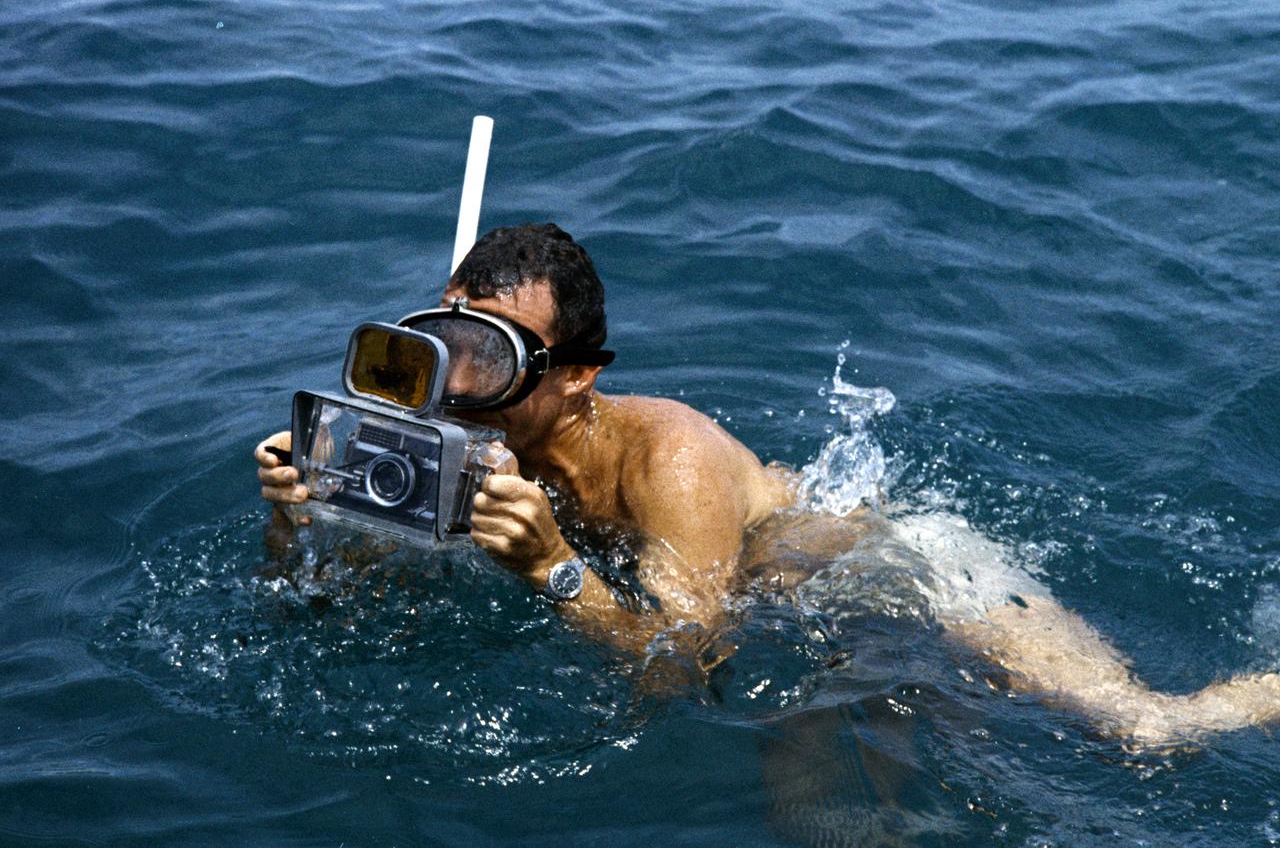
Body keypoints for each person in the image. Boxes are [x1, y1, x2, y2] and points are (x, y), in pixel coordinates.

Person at [256, 222, 1280, 747]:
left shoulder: (670, 459)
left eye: (496, 359)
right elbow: (334, 606)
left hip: (900, 573)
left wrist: (555, 569)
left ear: (575, 375)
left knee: (1146, 731)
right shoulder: (469, 444)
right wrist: (293, 524)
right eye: (448, 347)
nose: (460, 387)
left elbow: (684, 665)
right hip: (788, 610)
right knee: (820, 809)